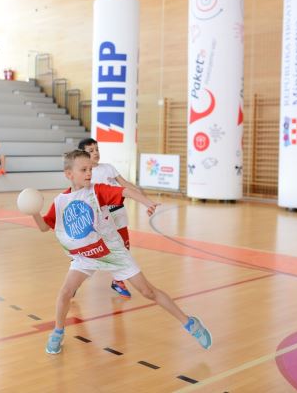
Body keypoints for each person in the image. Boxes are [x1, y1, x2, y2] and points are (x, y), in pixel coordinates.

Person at [31, 150, 212, 354]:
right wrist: (34, 212)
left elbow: (124, 191)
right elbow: (44, 227)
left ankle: (190, 323)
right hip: (85, 255)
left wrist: (147, 202)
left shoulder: (97, 191)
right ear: (69, 174)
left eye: (90, 169)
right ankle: (58, 332)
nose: (89, 173)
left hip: (113, 252)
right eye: (84, 170)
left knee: (148, 292)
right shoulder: (60, 201)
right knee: (65, 292)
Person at [78, 137, 143, 299]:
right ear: (82, 155)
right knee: (91, 253)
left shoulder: (108, 168)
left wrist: (139, 192)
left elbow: (124, 184)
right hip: (100, 220)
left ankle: (118, 281)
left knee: (124, 248)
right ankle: (74, 282)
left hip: (118, 214)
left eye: (97, 149)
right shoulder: (85, 175)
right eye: (91, 151)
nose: (95, 153)